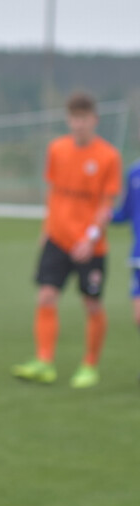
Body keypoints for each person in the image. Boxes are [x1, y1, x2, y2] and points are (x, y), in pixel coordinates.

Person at [12, 91, 121, 388]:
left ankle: (90, 365)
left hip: (90, 246)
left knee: (92, 305)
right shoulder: (57, 150)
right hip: (57, 239)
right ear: (67, 120)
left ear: (94, 121)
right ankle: (44, 361)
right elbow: (54, 192)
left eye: (84, 119)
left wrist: (91, 237)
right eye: (74, 119)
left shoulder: (108, 156)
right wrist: (47, 228)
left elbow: (106, 204)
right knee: (46, 296)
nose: (79, 125)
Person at [110, 152, 140, 383]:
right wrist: (104, 215)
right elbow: (126, 212)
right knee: (138, 317)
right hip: (138, 257)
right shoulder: (133, 172)